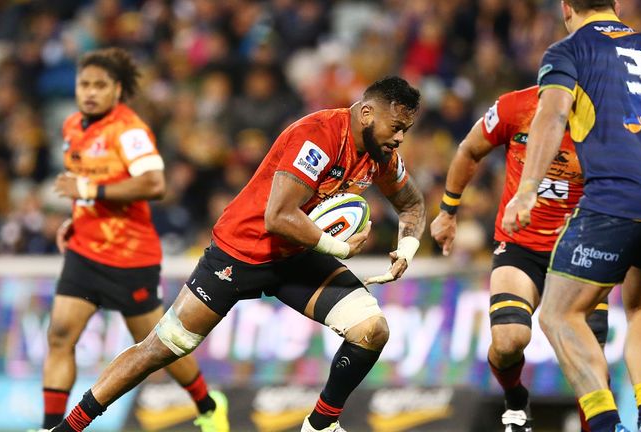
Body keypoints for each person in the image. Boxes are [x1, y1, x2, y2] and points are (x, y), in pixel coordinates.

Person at [48, 76, 426, 432]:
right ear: (366, 114)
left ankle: (320, 425)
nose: (399, 138)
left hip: (296, 256)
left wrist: (406, 248)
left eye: (405, 130)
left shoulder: (381, 154)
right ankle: (69, 427)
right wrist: (340, 248)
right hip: (241, 251)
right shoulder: (319, 136)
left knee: (371, 330)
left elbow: (412, 204)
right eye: (395, 127)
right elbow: (278, 217)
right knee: (162, 348)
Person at [501, 1, 641, 431]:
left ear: (566, 7)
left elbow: (552, 115)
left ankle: (606, 426)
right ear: (615, 5)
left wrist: (527, 190)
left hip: (617, 198)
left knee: (559, 314)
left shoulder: (569, 51)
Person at [41, 48, 229, 432]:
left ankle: (209, 406)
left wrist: (89, 191)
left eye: (100, 85)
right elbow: (88, 183)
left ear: (117, 89)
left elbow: (154, 184)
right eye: (84, 84)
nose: (90, 92)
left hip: (129, 257)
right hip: (84, 251)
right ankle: (48, 427)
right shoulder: (72, 127)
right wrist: (78, 216)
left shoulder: (129, 131)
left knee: (157, 345)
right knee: (60, 334)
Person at [431, 85, 608, 432]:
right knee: (508, 340)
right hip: (520, 246)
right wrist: (448, 211)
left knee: (589, 362)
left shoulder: (608, 119)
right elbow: (469, 149)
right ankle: (515, 399)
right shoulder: (515, 107)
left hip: (581, 252)